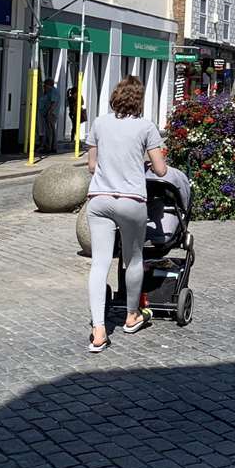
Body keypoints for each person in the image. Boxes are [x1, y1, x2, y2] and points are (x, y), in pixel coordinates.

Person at [85, 76, 168, 351]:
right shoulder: (146, 127)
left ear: (115, 97)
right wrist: (141, 162)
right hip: (131, 200)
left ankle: (98, 331)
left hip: (99, 199)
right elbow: (161, 170)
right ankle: (132, 316)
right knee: (133, 259)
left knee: (99, 263)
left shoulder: (99, 123)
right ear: (139, 100)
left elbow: (91, 166)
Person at [39, 78, 59, 154]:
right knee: (51, 130)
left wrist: (49, 112)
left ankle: (49, 147)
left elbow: (53, 103)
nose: (44, 87)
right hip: (50, 113)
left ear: (49, 85)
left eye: (45, 85)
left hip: (51, 114)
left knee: (50, 131)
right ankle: (51, 147)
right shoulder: (52, 91)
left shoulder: (53, 92)